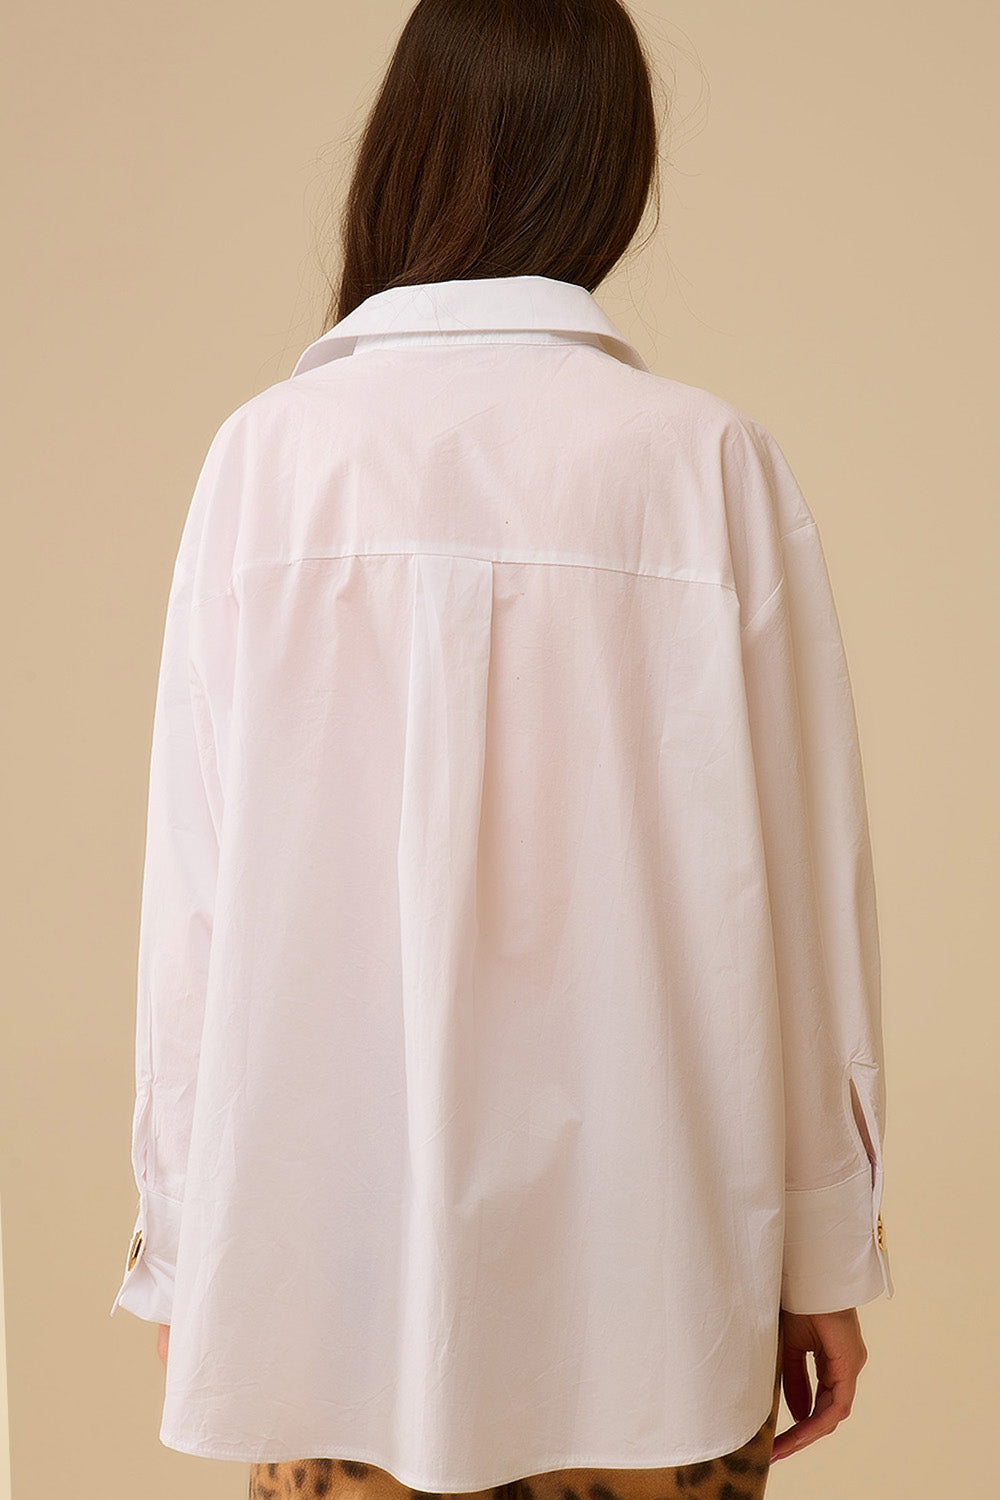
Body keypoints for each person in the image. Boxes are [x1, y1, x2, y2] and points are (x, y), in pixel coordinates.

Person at [108, 2, 894, 1498]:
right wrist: (823, 1249)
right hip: (659, 1279)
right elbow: (803, 904)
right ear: (611, 166)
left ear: (401, 152)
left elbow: (197, 904)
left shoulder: (268, 458)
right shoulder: (704, 461)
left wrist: (192, 1251)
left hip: (325, 1288)